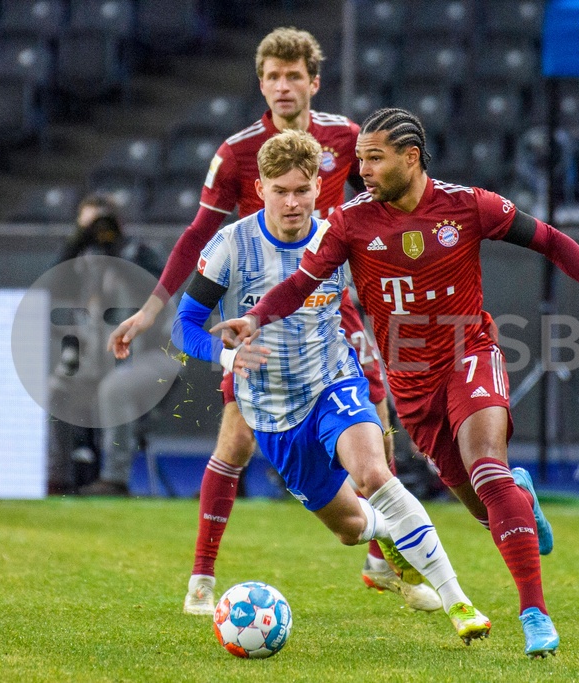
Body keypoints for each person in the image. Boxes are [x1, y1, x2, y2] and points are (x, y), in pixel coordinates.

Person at [214, 108, 579, 658]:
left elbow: (551, 241)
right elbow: (300, 284)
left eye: (374, 158)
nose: (362, 169)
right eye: (360, 158)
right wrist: (255, 319)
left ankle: (534, 613)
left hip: (470, 352)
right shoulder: (351, 223)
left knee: (487, 468)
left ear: (411, 157)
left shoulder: (468, 205)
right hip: (411, 384)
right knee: (480, 504)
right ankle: (521, 496)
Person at [104, 28, 435, 613]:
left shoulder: (347, 139)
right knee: (235, 439)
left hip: (330, 301)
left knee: (375, 413)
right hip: (259, 311)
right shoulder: (236, 152)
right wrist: (154, 308)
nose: (284, 86)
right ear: (261, 84)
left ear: (314, 81)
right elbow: (197, 235)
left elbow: (388, 203)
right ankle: (202, 578)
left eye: (294, 75)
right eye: (273, 77)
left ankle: (386, 561)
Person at [171, 128, 491, 644]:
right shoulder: (230, 245)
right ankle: (387, 536)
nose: (293, 201)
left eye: (303, 189)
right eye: (281, 190)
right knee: (350, 529)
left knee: (374, 473)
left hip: (333, 383)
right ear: (261, 189)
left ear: (320, 188)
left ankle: (460, 604)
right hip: (272, 413)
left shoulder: (340, 237)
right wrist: (226, 355)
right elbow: (183, 325)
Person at [48, 193, 176, 496]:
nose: (97, 231)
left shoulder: (139, 253)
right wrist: (77, 242)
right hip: (100, 359)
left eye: (102, 223)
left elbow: (158, 289)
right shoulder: (81, 260)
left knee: (114, 387)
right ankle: (57, 477)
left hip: (152, 355)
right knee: (55, 391)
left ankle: (114, 479)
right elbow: (53, 286)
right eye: (89, 224)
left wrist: (117, 253)